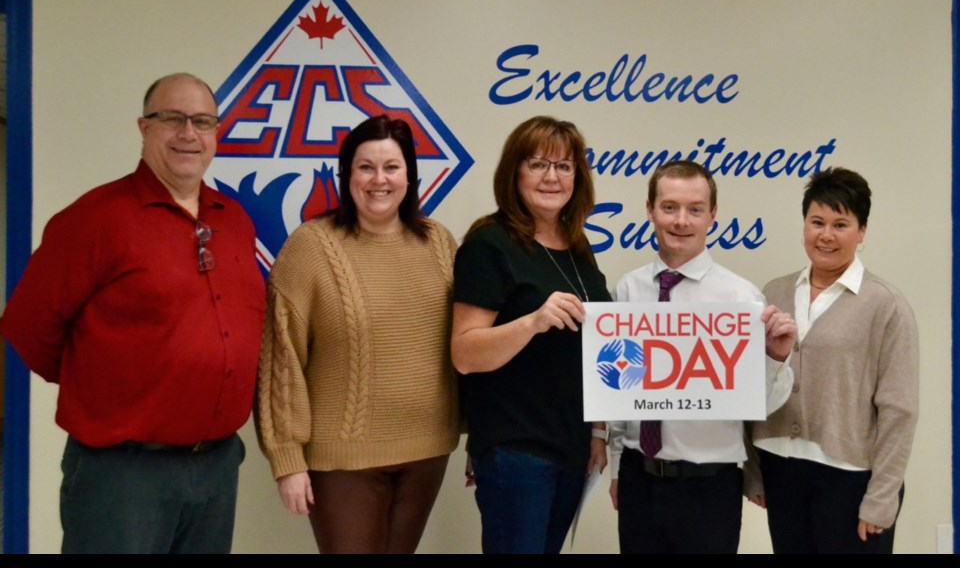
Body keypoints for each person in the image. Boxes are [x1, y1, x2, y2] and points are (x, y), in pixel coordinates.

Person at [0, 73, 265, 553]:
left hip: (216, 468)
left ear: (216, 134)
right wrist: (102, 381)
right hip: (122, 474)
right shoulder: (94, 219)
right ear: (144, 128)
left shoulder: (234, 219)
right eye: (173, 119)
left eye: (202, 121)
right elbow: (27, 325)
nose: (189, 133)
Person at [256, 114, 460, 554]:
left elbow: (464, 344)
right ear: (345, 175)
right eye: (365, 167)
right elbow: (282, 357)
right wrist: (287, 458)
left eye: (392, 167)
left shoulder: (440, 243)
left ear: (410, 176)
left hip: (427, 450)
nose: (378, 180)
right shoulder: (311, 246)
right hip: (342, 462)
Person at [607, 159, 797, 554]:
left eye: (695, 209)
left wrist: (776, 359)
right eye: (669, 207)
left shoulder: (741, 299)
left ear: (713, 215)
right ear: (649, 210)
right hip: (638, 477)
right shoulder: (628, 290)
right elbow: (619, 393)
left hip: (709, 487)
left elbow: (758, 405)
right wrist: (615, 466)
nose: (681, 220)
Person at [451, 116, 610, 554]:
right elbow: (464, 352)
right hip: (517, 448)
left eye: (564, 166)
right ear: (514, 172)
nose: (551, 177)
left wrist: (598, 432)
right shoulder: (490, 243)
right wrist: (533, 322)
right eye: (538, 163)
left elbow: (591, 349)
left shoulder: (577, 245)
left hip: (571, 447)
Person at [747, 167, 918, 554]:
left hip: (850, 479)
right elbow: (750, 386)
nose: (826, 235)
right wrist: (755, 472)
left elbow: (899, 410)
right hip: (781, 469)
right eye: (816, 222)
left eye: (841, 224)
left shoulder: (886, 304)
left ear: (862, 232)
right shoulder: (774, 292)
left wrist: (882, 497)